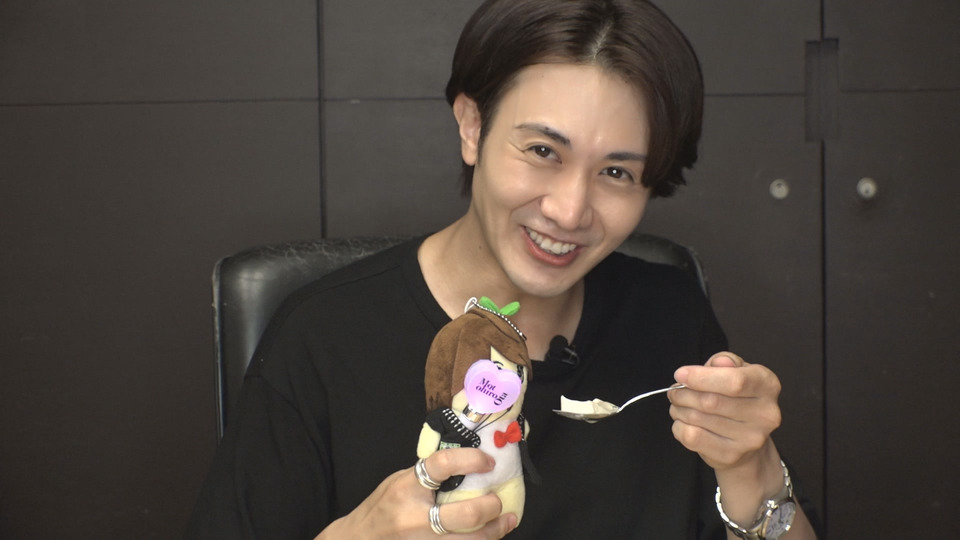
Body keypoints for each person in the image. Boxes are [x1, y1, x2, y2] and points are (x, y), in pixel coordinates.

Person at [186, 1, 821, 538]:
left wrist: (752, 468)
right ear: (472, 126)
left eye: (617, 172)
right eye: (543, 150)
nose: (569, 211)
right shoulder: (324, 335)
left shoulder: (669, 315)